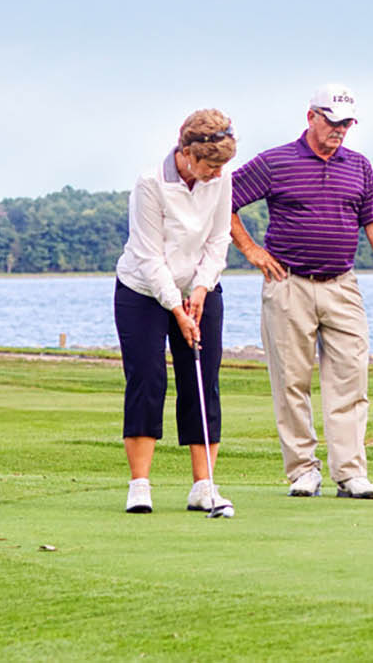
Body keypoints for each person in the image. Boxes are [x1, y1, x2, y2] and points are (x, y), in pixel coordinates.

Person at [230, 84, 373, 500]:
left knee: (351, 379)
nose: (340, 130)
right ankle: (302, 470)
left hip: (342, 284)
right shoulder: (275, 161)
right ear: (311, 116)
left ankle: (351, 474)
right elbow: (222, 199)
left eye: (347, 123)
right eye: (332, 121)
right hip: (287, 284)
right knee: (291, 381)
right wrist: (252, 251)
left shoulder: (359, 166)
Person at [113, 109, 239, 516]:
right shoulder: (151, 183)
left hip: (198, 287)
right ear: (186, 152)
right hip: (142, 291)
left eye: (223, 165)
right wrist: (177, 309)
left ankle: (204, 486)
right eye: (210, 164)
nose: (217, 173)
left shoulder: (221, 179)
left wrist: (201, 289)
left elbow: (219, 239)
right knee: (147, 379)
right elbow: (150, 258)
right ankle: (140, 486)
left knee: (202, 381)